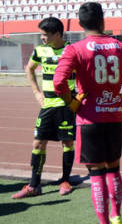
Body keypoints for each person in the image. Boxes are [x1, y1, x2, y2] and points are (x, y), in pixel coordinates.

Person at [53, 3, 122, 224]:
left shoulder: (75, 49)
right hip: (115, 115)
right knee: (114, 167)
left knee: (96, 172)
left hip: (89, 118)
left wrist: (72, 102)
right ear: (102, 21)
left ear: (80, 23)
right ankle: (116, 216)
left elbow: (58, 82)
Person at [13, 17, 77, 199]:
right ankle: (34, 185)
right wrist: (36, 92)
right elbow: (30, 69)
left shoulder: (71, 50)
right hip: (47, 105)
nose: (42, 38)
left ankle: (65, 180)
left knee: (67, 143)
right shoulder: (40, 50)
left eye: (45, 35)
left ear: (57, 34)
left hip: (66, 104)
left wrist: (78, 96)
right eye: (41, 34)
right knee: (38, 143)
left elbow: (82, 73)